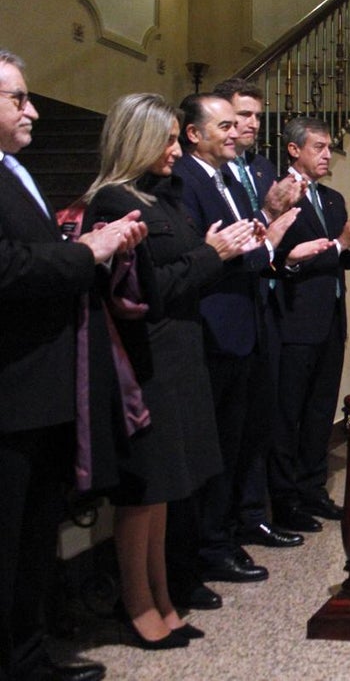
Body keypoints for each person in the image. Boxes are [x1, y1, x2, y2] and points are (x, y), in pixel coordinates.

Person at [82, 93, 260, 650]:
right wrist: (214, 255)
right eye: (164, 139)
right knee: (144, 491)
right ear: (137, 141)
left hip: (178, 353)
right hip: (145, 358)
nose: (173, 149)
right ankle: (137, 605)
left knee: (167, 489)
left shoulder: (158, 197)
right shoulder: (113, 201)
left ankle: (163, 596)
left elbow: (175, 269)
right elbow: (147, 292)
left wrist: (208, 254)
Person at [0, 50, 146, 681]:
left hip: (40, 384)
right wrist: (86, 251)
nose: (32, 109)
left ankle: (29, 655)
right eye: (18, 99)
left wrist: (96, 251)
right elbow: (7, 268)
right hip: (11, 387)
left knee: (34, 533)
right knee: (9, 539)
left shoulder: (14, 170)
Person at [170, 93, 314, 592]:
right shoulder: (185, 180)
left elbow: (247, 244)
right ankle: (209, 545)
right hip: (213, 326)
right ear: (194, 134)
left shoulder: (231, 176)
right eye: (225, 125)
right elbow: (206, 255)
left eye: (238, 125)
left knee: (240, 440)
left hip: (245, 323)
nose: (236, 133)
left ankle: (227, 532)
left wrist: (266, 238)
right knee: (216, 448)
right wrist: (268, 240)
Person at [212, 78, 311, 547]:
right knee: (233, 423)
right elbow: (243, 233)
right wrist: (269, 213)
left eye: (255, 115)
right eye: (239, 116)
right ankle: (233, 521)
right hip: (232, 300)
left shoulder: (261, 165)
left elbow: (270, 233)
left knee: (260, 415)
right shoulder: (218, 171)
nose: (250, 124)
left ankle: (254, 514)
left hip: (265, 296)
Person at [270, 117, 350, 526]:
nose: (328, 154)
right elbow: (286, 257)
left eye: (330, 147)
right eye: (318, 147)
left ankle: (313, 489)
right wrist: (341, 243)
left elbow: (347, 258)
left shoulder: (330, 199)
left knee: (319, 412)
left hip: (330, 320)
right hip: (294, 319)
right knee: (288, 413)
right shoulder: (279, 196)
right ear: (294, 150)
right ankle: (285, 499)